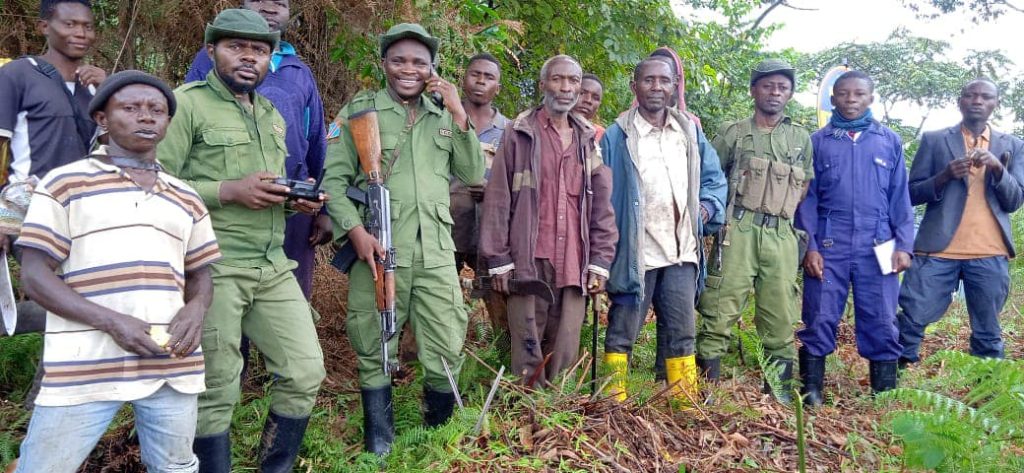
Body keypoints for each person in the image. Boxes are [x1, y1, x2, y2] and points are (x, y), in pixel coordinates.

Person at [13, 70, 218, 473]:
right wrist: (112, 322)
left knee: (176, 468)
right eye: (131, 108)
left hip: (170, 365)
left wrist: (195, 311)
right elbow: (35, 276)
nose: (146, 117)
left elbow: (201, 274)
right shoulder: (64, 184)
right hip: (84, 364)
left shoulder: (186, 196)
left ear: (167, 123)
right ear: (102, 120)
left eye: (156, 110)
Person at [157, 9, 327, 472]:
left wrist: (295, 201)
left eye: (259, 50)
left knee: (305, 370)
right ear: (212, 52)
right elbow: (154, 184)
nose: (249, 57)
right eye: (237, 47)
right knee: (216, 387)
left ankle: (275, 466)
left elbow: (266, 186)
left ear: (271, 59)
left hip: (272, 265)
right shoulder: (186, 105)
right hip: (213, 266)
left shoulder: (270, 115)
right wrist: (227, 191)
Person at [321, 23, 484, 455]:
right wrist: (355, 232)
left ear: (432, 68)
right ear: (384, 65)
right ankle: (380, 445)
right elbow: (333, 184)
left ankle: (438, 441)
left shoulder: (443, 114)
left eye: (418, 62)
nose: (408, 69)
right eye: (399, 60)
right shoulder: (360, 111)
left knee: (446, 342)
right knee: (374, 342)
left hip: (434, 251)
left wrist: (459, 113)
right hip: (376, 251)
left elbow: (474, 175)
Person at [479, 54, 618, 386]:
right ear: (543, 85)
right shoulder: (520, 133)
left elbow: (602, 206)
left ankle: (557, 419)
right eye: (558, 79)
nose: (566, 88)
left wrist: (600, 260)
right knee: (526, 347)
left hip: (573, 262)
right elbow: (498, 196)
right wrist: (499, 259)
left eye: (573, 81)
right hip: (528, 261)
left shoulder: (588, 141)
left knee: (565, 349)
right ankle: (525, 417)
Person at [184, 0, 330, 299]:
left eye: (280, 3)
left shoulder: (299, 70)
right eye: (261, 0)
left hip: (290, 208)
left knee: (291, 292)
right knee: (226, 309)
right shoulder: (206, 68)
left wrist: (322, 206)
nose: (271, 8)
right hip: (224, 219)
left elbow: (316, 140)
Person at [600, 58, 726, 403]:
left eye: (664, 81)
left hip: (682, 251)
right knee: (622, 329)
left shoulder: (689, 132)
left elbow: (714, 180)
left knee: (682, 331)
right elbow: (600, 194)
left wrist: (706, 208)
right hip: (636, 253)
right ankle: (613, 401)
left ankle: (684, 402)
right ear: (634, 87)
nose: (656, 87)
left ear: (674, 87)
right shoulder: (617, 136)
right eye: (648, 80)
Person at [695, 59, 813, 402]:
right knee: (719, 307)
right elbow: (711, 178)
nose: (775, 93)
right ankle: (708, 390)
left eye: (782, 87)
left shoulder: (800, 138)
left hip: (781, 234)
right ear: (753, 90)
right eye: (767, 86)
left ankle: (778, 394)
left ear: (789, 94)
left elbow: (804, 186)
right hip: (738, 231)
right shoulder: (733, 133)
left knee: (780, 313)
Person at [795, 70, 914, 407]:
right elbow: (808, 200)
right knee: (819, 315)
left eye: (858, 94)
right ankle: (813, 391)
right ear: (832, 99)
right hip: (830, 242)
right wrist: (811, 247)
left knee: (882, 316)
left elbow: (899, 196)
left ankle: (883, 395)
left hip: (879, 243)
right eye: (843, 94)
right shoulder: (818, 142)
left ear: (870, 98)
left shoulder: (887, 141)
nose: (850, 100)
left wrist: (904, 245)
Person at [897, 79, 1024, 366]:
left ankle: (985, 397)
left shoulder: (1013, 145)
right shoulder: (934, 139)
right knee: (912, 319)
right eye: (971, 95)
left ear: (995, 103)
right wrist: (944, 176)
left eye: (985, 96)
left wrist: (997, 167)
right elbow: (911, 193)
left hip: (990, 251)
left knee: (988, 331)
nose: (977, 101)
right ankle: (891, 391)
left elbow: (1015, 201)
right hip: (937, 249)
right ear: (960, 101)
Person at [0, 0, 107, 336]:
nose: (81, 33)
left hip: (85, 210)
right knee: (67, 300)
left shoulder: (96, 85)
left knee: (82, 301)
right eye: (70, 24)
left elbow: (116, 149)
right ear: (44, 27)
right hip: (29, 207)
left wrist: (109, 90)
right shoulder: (17, 74)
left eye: (87, 26)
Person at [450, 52, 510, 344]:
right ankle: (421, 368)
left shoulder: (510, 131)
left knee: (498, 302)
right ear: (464, 78)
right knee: (437, 301)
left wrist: (494, 190)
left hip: (489, 233)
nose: (480, 82)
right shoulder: (444, 119)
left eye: (489, 77)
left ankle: (503, 365)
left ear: (497, 87)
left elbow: (519, 182)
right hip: (446, 228)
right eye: (476, 74)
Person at [572, 73, 604, 139]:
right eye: (582, 93)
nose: (588, 100)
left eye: (595, 98)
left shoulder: (601, 136)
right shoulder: (548, 129)